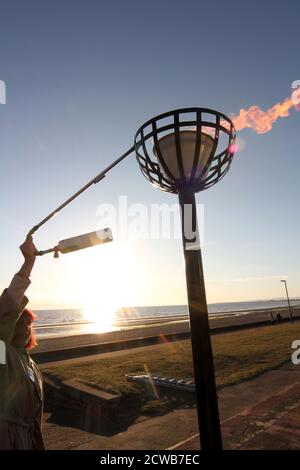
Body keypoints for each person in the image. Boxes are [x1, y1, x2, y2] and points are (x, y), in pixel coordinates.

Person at [0, 235, 45, 450]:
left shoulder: (31, 365)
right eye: (21, 320)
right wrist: (28, 264)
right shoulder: (2, 354)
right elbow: (5, 313)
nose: (26, 327)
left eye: (30, 323)